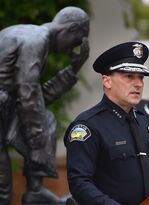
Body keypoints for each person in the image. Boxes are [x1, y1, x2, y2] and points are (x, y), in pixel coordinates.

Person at [0, 6, 90, 205]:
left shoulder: (31, 35)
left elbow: (36, 97)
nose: (71, 49)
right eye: (76, 41)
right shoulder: (37, 40)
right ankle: (35, 192)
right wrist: (36, 138)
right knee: (2, 186)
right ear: (72, 28)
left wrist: (74, 68)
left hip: (4, 107)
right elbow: (27, 93)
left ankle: (35, 190)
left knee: (45, 119)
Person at [64, 42, 149, 205]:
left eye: (141, 78)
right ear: (107, 81)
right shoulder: (87, 126)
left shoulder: (147, 125)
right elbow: (80, 183)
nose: (138, 84)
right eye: (129, 76)